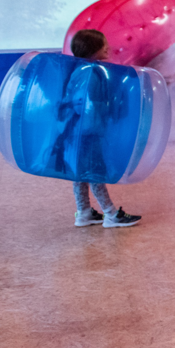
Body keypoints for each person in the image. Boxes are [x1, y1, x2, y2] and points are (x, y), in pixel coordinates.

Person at [65, 29, 141, 229]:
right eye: (103, 44)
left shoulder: (77, 70)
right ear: (92, 49)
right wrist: (112, 113)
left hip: (77, 132)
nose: (108, 47)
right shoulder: (93, 72)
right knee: (95, 172)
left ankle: (84, 212)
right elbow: (93, 105)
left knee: (80, 173)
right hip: (90, 132)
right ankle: (111, 214)